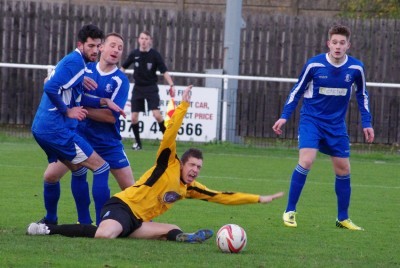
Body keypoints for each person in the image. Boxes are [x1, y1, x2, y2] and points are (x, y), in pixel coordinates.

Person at [27, 86, 284, 243]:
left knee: (173, 229)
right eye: (192, 165)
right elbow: (170, 133)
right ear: (182, 163)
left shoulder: (189, 188)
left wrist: (258, 199)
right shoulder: (167, 162)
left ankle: (186, 238)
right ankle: (50, 229)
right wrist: (183, 105)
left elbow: (223, 197)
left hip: (138, 222)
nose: (195, 170)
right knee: (103, 235)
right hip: (122, 206)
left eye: (199, 168)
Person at [272, 24, 374, 231]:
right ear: (328, 44)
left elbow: (362, 95)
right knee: (307, 160)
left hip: (336, 126)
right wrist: (284, 117)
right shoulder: (314, 65)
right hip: (312, 121)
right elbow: (297, 91)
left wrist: (367, 123)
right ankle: (290, 210)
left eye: (342, 43)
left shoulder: (356, 68)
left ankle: (343, 218)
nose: (338, 46)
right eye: (334, 42)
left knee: (343, 168)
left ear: (348, 45)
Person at [32, 25, 125, 226]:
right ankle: (102, 225)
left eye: (97, 46)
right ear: (80, 45)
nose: (94, 50)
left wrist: (104, 101)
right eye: (91, 45)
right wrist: (67, 111)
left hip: (43, 129)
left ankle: (59, 220)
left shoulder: (78, 64)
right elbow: (49, 86)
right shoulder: (76, 63)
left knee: (78, 170)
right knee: (101, 168)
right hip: (56, 129)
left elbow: (75, 94)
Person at [120, 30, 175, 150]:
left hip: (151, 88)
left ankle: (168, 141)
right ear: (138, 40)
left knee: (157, 115)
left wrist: (171, 84)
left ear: (150, 41)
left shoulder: (155, 55)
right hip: (138, 88)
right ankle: (138, 143)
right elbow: (123, 67)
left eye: (146, 38)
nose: (144, 41)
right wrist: (115, 79)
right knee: (134, 117)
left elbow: (164, 70)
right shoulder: (134, 54)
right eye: (142, 38)